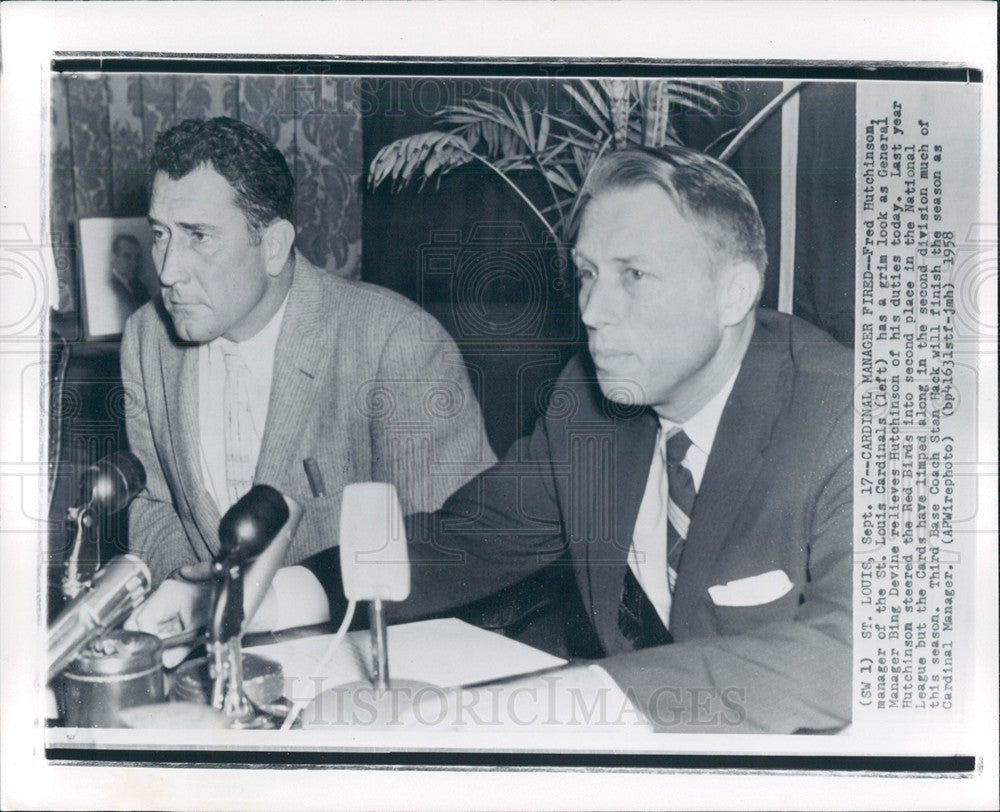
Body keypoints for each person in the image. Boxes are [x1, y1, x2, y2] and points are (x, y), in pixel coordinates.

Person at [300, 146, 853, 734]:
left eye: (633, 274)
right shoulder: (588, 404)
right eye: (587, 273)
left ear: (733, 294)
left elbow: (853, 656)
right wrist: (283, 594)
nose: (591, 309)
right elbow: (467, 539)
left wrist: (534, 708)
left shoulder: (847, 417)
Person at [122, 117, 494, 643]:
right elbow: (154, 504)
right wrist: (203, 606)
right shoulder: (146, 338)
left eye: (198, 237)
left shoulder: (395, 341)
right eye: (160, 234)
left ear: (273, 246)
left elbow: (455, 551)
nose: (167, 271)